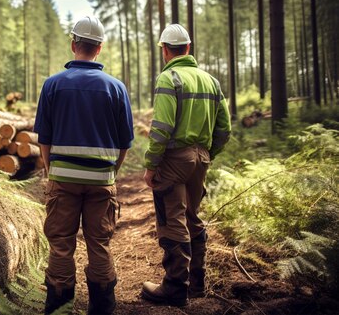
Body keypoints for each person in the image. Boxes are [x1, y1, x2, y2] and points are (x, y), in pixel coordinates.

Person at [34, 16, 134, 315]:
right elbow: (125, 143)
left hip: (62, 178)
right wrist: (110, 174)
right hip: (101, 180)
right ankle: (102, 308)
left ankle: (60, 308)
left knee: (62, 244)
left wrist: (52, 172)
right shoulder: (116, 88)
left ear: (73, 44)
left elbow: (44, 139)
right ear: (99, 48)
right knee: (99, 243)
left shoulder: (53, 85)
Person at [141, 24, 231, 307]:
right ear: (188, 48)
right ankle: (197, 284)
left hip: (174, 159)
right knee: (193, 216)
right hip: (201, 157)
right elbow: (224, 128)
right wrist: (207, 153)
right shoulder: (211, 81)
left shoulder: (170, 78)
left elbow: (162, 127)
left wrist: (151, 164)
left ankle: (174, 287)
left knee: (172, 218)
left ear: (166, 50)